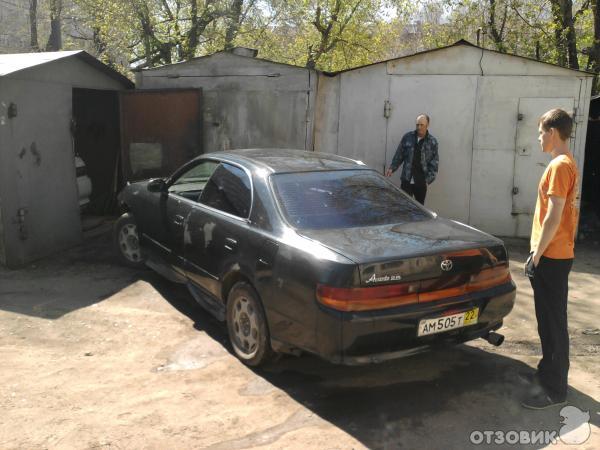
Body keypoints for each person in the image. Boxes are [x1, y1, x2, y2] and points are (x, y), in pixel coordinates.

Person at [522, 108, 579, 410]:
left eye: (541, 131)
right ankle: (548, 372)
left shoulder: (559, 165)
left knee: (553, 323)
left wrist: (537, 255)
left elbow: (554, 214)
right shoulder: (566, 164)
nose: (539, 137)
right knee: (548, 321)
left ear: (553, 132)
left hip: (552, 258)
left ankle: (556, 390)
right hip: (555, 255)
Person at [385, 114, 439, 205]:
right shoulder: (407, 137)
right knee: (404, 207)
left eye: (422, 125)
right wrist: (392, 168)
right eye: (417, 124)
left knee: (419, 210)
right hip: (406, 179)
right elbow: (399, 155)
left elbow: (434, 164)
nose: (419, 127)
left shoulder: (432, 142)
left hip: (421, 182)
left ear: (427, 125)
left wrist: (427, 181)